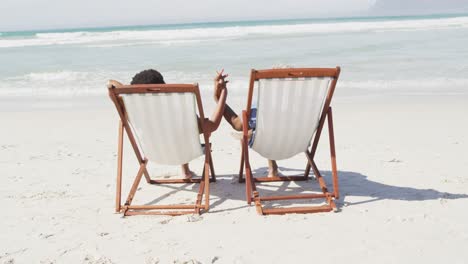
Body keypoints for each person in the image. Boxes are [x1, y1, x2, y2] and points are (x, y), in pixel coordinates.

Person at [110, 69, 227, 179]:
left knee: (175, 132)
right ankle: (186, 170)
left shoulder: (130, 111)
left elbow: (111, 83)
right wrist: (222, 95)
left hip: (154, 153)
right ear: (164, 88)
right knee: (191, 131)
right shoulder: (180, 112)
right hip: (185, 152)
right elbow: (213, 126)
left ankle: (185, 170)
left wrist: (130, 94)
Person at [212, 73, 280, 177]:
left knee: (262, 127)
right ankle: (272, 167)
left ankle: (250, 134)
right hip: (299, 143)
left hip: (269, 136)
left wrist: (218, 96)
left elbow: (236, 124)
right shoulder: (305, 109)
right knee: (268, 126)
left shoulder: (258, 108)